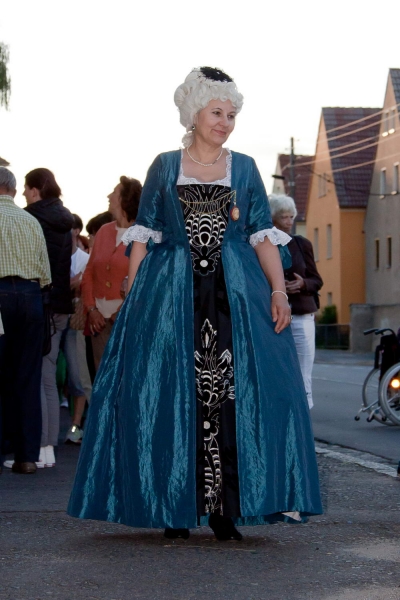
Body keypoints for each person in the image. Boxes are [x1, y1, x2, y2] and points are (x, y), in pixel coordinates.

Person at [69, 67, 322, 540]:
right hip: (171, 294)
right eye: (217, 113)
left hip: (235, 296)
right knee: (172, 393)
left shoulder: (243, 168)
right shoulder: (166, 166)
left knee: (234, 394)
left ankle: (226, 508)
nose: (225, 122)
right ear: (194, 113)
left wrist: (276, 291)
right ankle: (175, 506)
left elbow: (261, 235)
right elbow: (145, 235)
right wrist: (135, 295)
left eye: (231, 115)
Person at [0, 167, 51, 474]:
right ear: (14, 190)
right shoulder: (30, 220)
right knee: (28, 378)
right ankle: (27, 457)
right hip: (31, 297)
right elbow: (45, 273)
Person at [24, 168, 74, 468]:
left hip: (40, 303)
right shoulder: (65, 219)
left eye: (26, 188)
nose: (23, 194)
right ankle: (48, 448)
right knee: (50, 377)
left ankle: (40, 447)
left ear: (35, 190)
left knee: (38, 377)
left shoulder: (31, 218)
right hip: (62, 304)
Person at [81, 178, 142, 370]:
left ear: (125, 199)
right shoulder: (103, 231)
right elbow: (89, 273)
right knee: (101, 373)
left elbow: (144, 279)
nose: (109, 196)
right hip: (98, 322)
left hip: (128, 319)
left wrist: (122, 311)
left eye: (114, 192)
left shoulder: (143, 234)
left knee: (126, 372)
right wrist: (91, 309)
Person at [269, 194, 323, 409]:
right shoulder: (263, 244)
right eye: (284, 217)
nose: (289, 221)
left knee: (304, 371)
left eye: (291, 216)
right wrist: (276, 285)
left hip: (301, 314)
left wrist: (302, 284)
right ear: (273, 218)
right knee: (278, 370)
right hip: (273, 315)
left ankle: (304, 413)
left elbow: (316, 280)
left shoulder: (301, 244)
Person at [64, 214, 92, 444]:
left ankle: (76, 425)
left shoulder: (85, 258)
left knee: (77, 374)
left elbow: (85, 285)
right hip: (58, 317)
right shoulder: (57, 256)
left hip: (76, 320)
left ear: (75, 231)